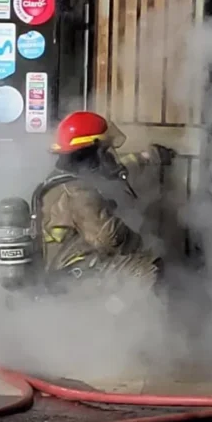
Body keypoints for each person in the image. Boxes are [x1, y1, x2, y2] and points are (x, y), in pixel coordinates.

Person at [40, 111, 176, 291]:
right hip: (75, 274)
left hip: (76, 263)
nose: (108, 156)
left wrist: (147, 156)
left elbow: (117, 171)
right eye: (104, 150)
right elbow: (109, 239)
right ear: (89, 152)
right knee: (146, 268)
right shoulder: (77, 191)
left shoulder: (66, 178)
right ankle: (128, 316)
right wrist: (140, 240)